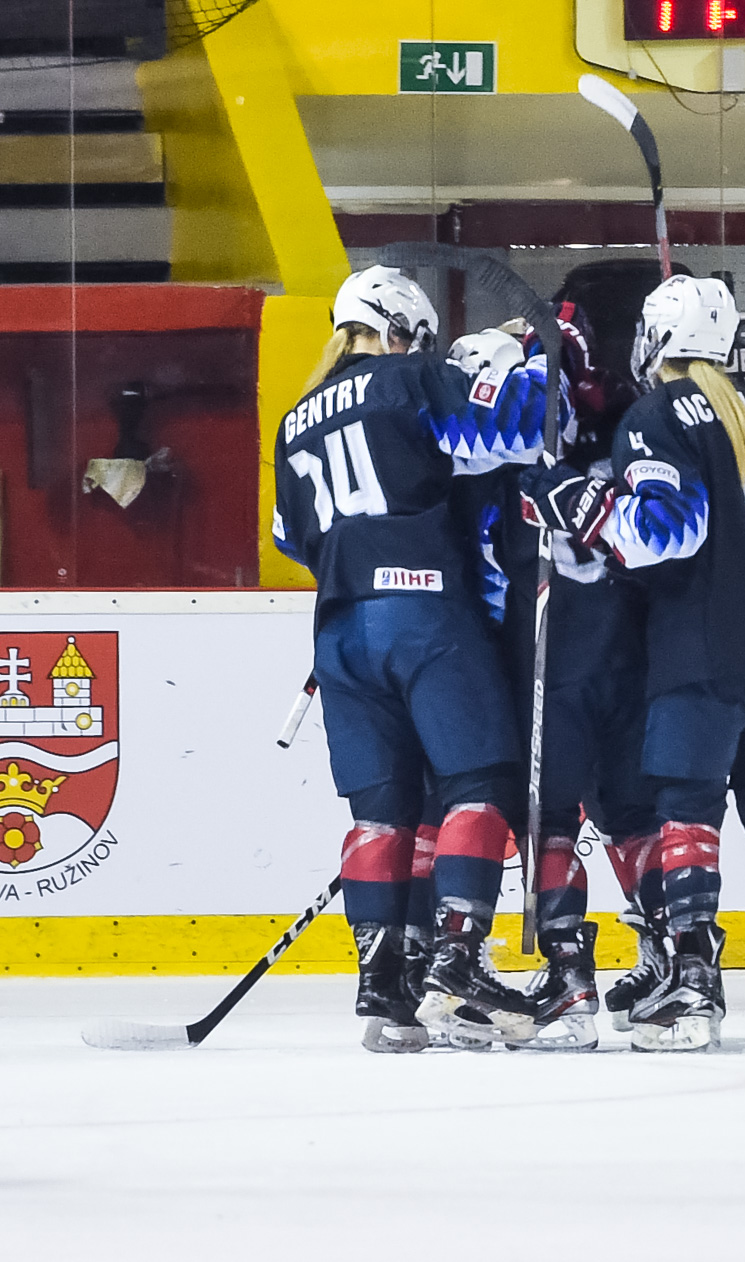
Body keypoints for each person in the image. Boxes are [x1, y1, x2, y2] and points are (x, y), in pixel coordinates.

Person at [521, 275, 745, 1051]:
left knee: (686, 804)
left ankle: (693, 990)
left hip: (706, 640)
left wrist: (580, 503)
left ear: (655, 339)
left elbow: (666, 535)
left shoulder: (654, 415)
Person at [272, 265, 553, 1052]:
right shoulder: (409, 380)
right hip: (424, 613)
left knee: (381, 812)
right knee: (478, 785)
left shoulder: (294, 420)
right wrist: (518, 363)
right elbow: (521, 430)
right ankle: (456, 963)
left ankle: (382, 985)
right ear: (401, 331)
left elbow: (290, 537)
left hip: (339, 633)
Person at [447, 307, 656, 1052]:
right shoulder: (625, 426)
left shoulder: (507, 453)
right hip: (623, 646)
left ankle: (569, 981)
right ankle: (674, 959)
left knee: (553, 817)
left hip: (553, 652)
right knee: (629, 812)